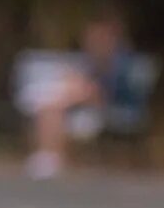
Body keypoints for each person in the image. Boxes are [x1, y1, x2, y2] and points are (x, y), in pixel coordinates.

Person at [21, 15, 138, 179]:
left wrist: (79, 90)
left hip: (110, 106)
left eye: (96, 36)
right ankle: (50, 155)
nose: (91, 40)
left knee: (55, 104)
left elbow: (107, 93)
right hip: (86, 104)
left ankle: (51, 156)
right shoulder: (95, 60)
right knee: (53, 105)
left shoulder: (119, 61)